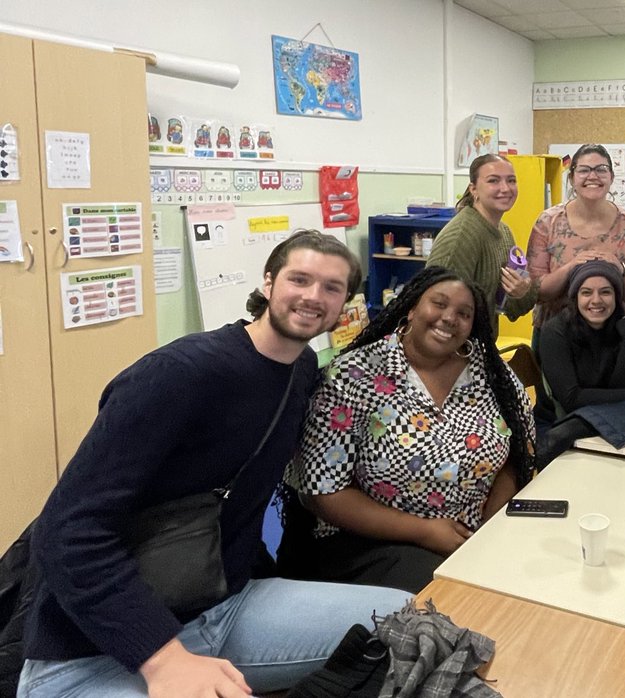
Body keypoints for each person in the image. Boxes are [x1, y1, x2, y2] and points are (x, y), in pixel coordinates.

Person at [19, 230, 412, 698]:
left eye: (331, 288)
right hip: (97, 653)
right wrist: (164, 660)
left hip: (226, 607)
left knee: (411, 625)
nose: (312, 297)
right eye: (299, 279)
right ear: (268, 284)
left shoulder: (302, 370)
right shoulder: (180, 373)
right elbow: (68, 531)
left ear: (345, 302)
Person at [278, 266, 536, 594]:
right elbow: (321, 493)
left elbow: (515, 458)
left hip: (475, 541)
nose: (449, 318)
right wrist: (424, 532)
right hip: (371, 545)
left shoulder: (490, 372)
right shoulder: (352, 377)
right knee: (455, 607)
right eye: (438, 304)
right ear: (412, 307)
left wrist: (487, 532)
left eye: (464, 313)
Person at [534, 259, 625, 466]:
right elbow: (572, 399)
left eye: (606, 292)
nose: (596, 300)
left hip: (605, 418)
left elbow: (623, 388)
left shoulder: (622, 328)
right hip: (557, 426)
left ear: (617, 297)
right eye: (586, 292)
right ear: (575, 297)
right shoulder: (555, 332)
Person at [527, 144, 625, 344]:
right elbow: (535, 289)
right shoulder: (548, 222)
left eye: (601, 169)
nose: (592, 176)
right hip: (555, 336)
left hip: (611, 337)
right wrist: (571, 267)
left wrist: (620, 270)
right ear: (571, 178)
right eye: (584, 170)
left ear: (611, 177)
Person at [426, 154, 535, 339]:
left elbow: (510, 310)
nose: (505, 188)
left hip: (482, 349)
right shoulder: (461, 237)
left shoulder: (504, 232)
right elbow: (436, 313)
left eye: (511, 180)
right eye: (493, 181)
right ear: (474, 189)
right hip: (453, 354)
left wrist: (521, 292)